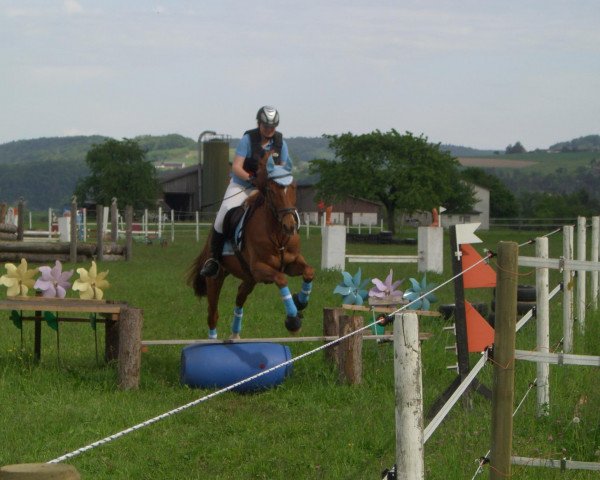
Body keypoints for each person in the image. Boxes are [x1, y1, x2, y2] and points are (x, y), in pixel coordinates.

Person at [200, 106, 293, 277]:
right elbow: (236, 167)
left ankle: (288, 248)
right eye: (266, 126)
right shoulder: (248, 139)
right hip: (242, 185)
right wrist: (252, 180)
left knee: (285, 208)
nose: (269, 130)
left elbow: (282, 169)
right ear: (259, 124)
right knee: (223, 215)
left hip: (267, 189)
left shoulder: (281, 144)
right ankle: (213, 259)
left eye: (272, 127)